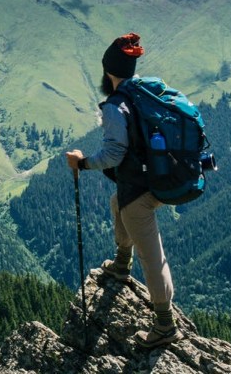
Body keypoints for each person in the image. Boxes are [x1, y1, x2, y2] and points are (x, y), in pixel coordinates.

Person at [65, 32, 182, 349]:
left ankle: (165, 325)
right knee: (118, 204)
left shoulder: (117, 106)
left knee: (152, 255)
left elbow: (114, 155)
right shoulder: (146, 92)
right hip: (160, 178)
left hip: (140, 190)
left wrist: (82, 163)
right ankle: (120, 264)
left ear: (108, 72)